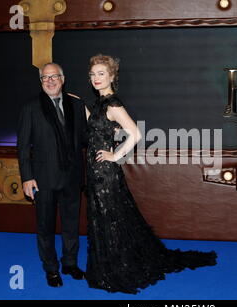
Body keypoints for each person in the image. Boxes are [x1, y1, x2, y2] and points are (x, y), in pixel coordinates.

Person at [84, 54, 217, 294]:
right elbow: (95, 130)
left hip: (105, 173)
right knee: (105, 219)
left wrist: (115, 156)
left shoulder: (113, 104)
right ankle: (110, 266)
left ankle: (119, 268)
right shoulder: (99, 105)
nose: (96, 78)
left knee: (111, 219)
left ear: (112, 76)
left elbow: (135, 133)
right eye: (93, 74)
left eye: (101, 73)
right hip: (94, 172)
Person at [17, 62, 87, 287]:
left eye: (54, 76)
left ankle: (70, 263)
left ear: (63, 79)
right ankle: (51, 269)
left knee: (71, 224)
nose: (50, 80)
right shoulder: (30, 107)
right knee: (45, 227)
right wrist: (27, 177)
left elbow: (85, 138)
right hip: (43, 178)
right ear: (41, 82)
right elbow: (23, 146)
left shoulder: (76, 105)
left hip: (72, 176)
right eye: (45, 78)